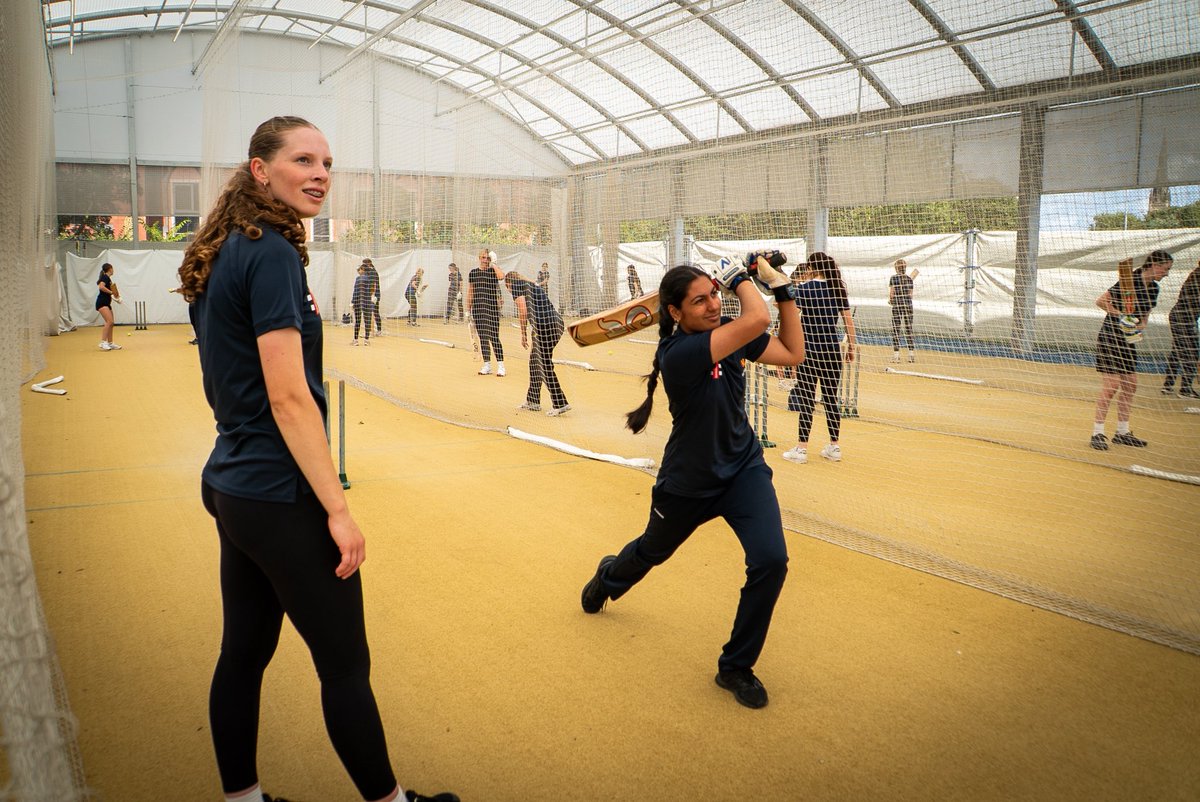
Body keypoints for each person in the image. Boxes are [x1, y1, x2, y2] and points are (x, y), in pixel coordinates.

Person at [176, 116, 457, 802]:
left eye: (327, 161)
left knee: (243, 654)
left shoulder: (226, 252)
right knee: (344, 665)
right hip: (277, 492)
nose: (321, 172)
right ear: (259, 170)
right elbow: (288, 397)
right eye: (303, 159)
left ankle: (242, 799)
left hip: (234, 485)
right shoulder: (267, 250)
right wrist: (337, 509)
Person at [580, 256, 805, 710]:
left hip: (743, 471)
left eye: (714, 296)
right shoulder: (679, 354)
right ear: (676, 313)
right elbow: (754, 316)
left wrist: (783, 290)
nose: (712, 306)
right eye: (699, 300)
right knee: (650, 552)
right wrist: (739, 277)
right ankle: (608, 577)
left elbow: (791, 353)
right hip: (688, 483)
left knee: (771, 560)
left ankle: (736, 667)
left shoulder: (729, 339)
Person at [1091, 249, 1173, 450]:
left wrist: (1141, 325)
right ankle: (1097, 433)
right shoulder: (1129, 280)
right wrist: (1121, 316)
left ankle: (1122, 432)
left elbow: (1145, 314)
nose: (1167, 273)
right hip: (1111, 337)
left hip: (1128, 338)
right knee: (1111, 386)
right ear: (1154, 265)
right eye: (1165, 269)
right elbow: (1101, 301)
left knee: (1130, 384)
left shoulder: (1154, 289)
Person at [784, 252, 856, 464]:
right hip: (832, 351)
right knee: (830, 398)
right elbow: (848, 321)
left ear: (812, 268)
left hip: (809, 351)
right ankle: (834, 446)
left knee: (807, 398)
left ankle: (802, 448)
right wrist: (851, 346)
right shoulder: (837, 289)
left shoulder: (804, 289)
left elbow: (789, 313)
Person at [505, 270, 569, 415]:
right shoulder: (531, 284)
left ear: (508, 284)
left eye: (507, 288)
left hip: (546, 326)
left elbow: (523, 310)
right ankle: (533, 401)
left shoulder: (516, 286)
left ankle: (560, 403)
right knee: (535, 362)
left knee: (542, 364)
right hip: (556, 323)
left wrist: (523, 334)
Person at [1162, 260, 1200, 398]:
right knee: (1192, 352)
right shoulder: (1197, 276)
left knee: (1178, 350)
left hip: (1183, 317)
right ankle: (1185, 389)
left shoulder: (1195, 275)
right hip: (1183, 318)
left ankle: (1168, 385)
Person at [466, 249, 505, 376]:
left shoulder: (493, 271)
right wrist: (467, 310)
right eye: (483, 257)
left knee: (494, 337)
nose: (485, 260)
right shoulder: (473, 273)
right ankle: (487, 365)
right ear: (479, 258)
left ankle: (501, 366)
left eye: (487, 258)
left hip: (492, 309)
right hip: (478, 309)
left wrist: (493, 264)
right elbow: (470, 292)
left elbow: (501, 276)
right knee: (482, 338)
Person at [887, 258, 916, 363]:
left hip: (897, 305)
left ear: (896, 268)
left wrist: (891, 300)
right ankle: (911, 355)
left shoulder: (893, 278)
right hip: (908, 305)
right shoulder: (909, 279)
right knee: (909, 329)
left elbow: (891, 294)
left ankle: (896, 356)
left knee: (896, 329)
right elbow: (910, 295)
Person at [95, 262, 123, 351]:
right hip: (102, 302)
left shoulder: (109, 279)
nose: (113, 270)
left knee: (111, 323)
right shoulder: (105, 277)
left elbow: (112, 293)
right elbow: (101, 287)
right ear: (110, 269)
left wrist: (117, 298)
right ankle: (103, 342)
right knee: (109, 321)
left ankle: (110, 343)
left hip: (107, 303)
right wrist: (111, 292)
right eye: (112, 268)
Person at [352, 264, 373, 346]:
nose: (358, 271)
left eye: (359, 270)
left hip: (358, 302)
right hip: (367, 301)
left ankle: (356, 340)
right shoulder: (369, 279)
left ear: (362, 270)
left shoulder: (358, 279)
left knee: (358, 321)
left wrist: (353, 301)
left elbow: (356, 291)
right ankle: (366, 340)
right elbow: (371, 290)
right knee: (367, 321)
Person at [363, 259, 383, 336]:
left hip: (374, 295)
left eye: (365, 265)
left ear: (369, 264)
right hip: (373, 295)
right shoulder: (370, 271)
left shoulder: (372, 272)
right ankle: (375, 331)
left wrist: (371, 295)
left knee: (374, 313)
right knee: (374, 313)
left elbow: (373, 285)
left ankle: (374, 331)